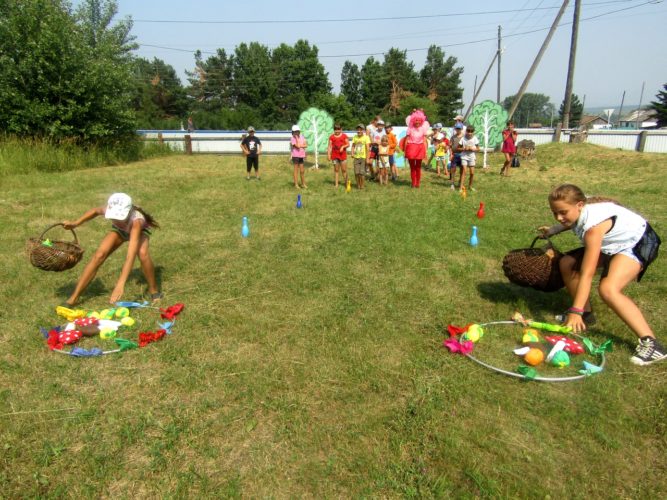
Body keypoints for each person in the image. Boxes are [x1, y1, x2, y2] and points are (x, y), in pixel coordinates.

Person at [540, 184, 664, 366]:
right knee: (567, 264)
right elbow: (573, 219)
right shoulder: (579, 209)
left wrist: (574, 311)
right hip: (612, 241)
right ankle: (586, 315)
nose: (559, 217)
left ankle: (652, 344)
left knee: (608, 289)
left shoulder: (593, 230)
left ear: (580, 205)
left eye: (563, 212)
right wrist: (555, 229)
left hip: (636, 241)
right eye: (555, 213)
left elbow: (587, 273)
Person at [61, 193, 161, 306]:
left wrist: (120, 284)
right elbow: (95, 211)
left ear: (128, 211)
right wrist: (75, 223)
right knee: (99, 255)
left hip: (139, 231)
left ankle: (154, 290)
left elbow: (130, 256)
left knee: (142, 254)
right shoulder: (109, 208)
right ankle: (74, 298)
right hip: (120, 230)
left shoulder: (137, 221)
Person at [402, 109, 431, 188]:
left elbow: (424, 141)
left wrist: (426, 151)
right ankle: (413, 183)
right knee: (412, 167)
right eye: (416, 120)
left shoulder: (423, 128)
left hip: (420, 148)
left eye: (419, 120)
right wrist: (405, 151)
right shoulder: (410, 128)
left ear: (421, 120)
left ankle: (417, 183)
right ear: (413, 120)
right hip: (411, 148)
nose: (417, 122)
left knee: (418, 167)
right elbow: (406, 140)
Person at [457, 125, 479, 191]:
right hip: (464, 156)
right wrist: (464, 148)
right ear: (466, 131)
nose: (469, 133)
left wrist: (473, 149)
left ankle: (470, 186)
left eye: (471, 131)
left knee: (472, 173)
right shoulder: (463, 138)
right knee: (464, 171)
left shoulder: (475, 138)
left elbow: (478, 149)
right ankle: (460, 188)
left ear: (473, 132)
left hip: (472, 156)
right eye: (468, 131)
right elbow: (458, 148)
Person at [327, 123, 349, 188]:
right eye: (335, 129)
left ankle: (346, 183)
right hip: (334, 156)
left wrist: (343, 147)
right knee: (336, 170)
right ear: (334, 130)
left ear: (341, 129)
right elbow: (329, 146)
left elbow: (348, 144)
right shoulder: (331, 137)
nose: (337, 131)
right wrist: (328, 154)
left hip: (342, 156)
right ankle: (336, 184)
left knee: (344, 170)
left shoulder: (344, 136)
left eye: (338, 129)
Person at [351, 124, 370, 190]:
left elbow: (368, 149)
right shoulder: (355, 137)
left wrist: (367, 158)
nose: (359, 131)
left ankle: (362, 185)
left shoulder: (366, 137)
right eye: (358, 129)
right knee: (356, 173)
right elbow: (353, 146)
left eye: (360, 129)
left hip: (363, 158)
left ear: (363, 130)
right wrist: (352, 153)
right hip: (356, 157)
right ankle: (358, 185)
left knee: (362, 173)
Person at [290, 125, 308, 189]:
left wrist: (301, 146)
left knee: (302, 171)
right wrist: (297, 139)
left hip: (301, 155)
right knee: (296, 171)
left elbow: (306, 145)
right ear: (293, 132)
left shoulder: (302, 137)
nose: (296, 133)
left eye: (297, 131)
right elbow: (297, 146)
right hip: (295, 156)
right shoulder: (292, 138)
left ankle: (303, 184)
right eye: (295, 132)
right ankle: (296, 184)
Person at [449, 123, 464, 190]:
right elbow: (450, 146)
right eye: (456, 128)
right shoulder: (453, 137)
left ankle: (460, 182)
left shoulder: (464, 137)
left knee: (462, 170)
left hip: (462, 155)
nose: (457, 130)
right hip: (454, 155)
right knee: (453, 169)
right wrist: (451, 154)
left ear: (461, 129)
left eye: (459, 129)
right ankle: (452, 184)